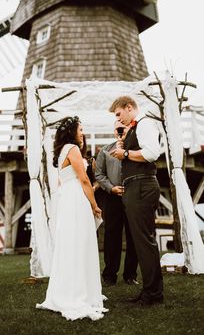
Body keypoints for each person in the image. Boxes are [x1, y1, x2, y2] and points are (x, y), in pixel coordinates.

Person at [36, 116, 108, 320]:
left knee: (71, 243)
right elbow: (84, 180)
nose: (82, 133)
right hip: (77, 199)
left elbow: (65, 181)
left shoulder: (62, 151)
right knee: (81, 242)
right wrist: (94, 205)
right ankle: (79, 292)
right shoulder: (72, 148)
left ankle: (70, 289)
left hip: (68, 198)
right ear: (72, 132)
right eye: (80, 129)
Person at [109, 96, 164, 306]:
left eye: (118, 114)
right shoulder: (133, 128)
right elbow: (130, 152)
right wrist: (122, 142)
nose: (118, 119)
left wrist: (126, 153)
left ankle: (153, 294)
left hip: (142, 185)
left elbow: (151, 153)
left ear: (129, 107)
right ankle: (150, 291)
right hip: (135, 186)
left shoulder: (145, 123)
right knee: (142, 242)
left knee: (144, 241)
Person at [95, 121, 138, 286]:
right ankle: (109, 275)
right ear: (114, 131)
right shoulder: (105, 151)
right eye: (117, 128)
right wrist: (111, 188)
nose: (120, 130)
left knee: (133, 235)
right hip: (112, 197)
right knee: (112, 235)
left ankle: (130, 275)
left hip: (132, 195)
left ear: (129, 129)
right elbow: (99, 174)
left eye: (123, 128)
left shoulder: (136, 149)